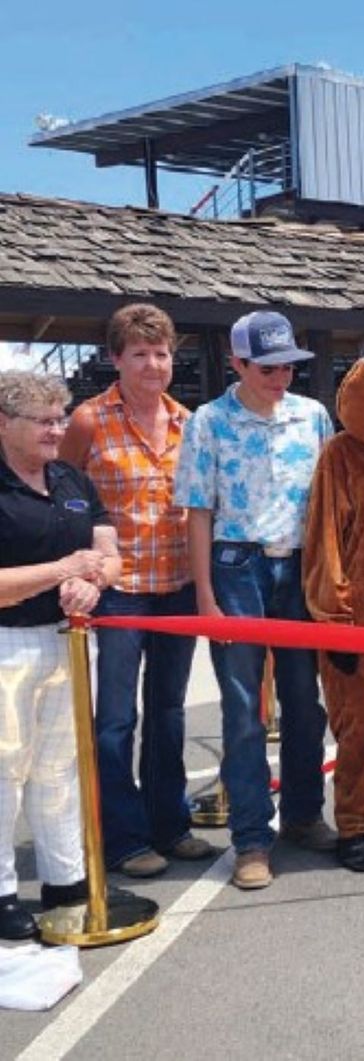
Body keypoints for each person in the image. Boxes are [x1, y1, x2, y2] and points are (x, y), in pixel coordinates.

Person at [174, 310, 337, 890]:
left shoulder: (313, 415)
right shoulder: (208, 422)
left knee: (303, 699)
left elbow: (329, 498)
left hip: (298, 565)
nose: (281, 377)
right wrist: (207, 598)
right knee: (243, 709)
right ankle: (250, 838)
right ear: (237, 363)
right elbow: (198, 510)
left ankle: (302, 813)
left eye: (288, 366)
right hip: (237, 563)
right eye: (267, 367)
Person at [59, 304, 216, 879]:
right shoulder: (88, 422)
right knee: (116, 718)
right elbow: (63, 492)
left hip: (176, 583)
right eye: (140, 354)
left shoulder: (187, 421)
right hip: (119, 588)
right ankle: (122, 836)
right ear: (116, 359)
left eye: (162, 353)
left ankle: (169, 824)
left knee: (170, 712)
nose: (153, 364)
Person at [0, 371, 121, 940]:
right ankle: (1, 892)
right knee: (5, 771)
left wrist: (94, 581)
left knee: (60, 768)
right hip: (8, 643)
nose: (56, 429)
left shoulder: (71, 478)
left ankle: (65, 878)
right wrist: (61, 572)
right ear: (5, 424)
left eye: (59, 418)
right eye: (43, 421)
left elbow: (108, 550)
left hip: (67, 640)